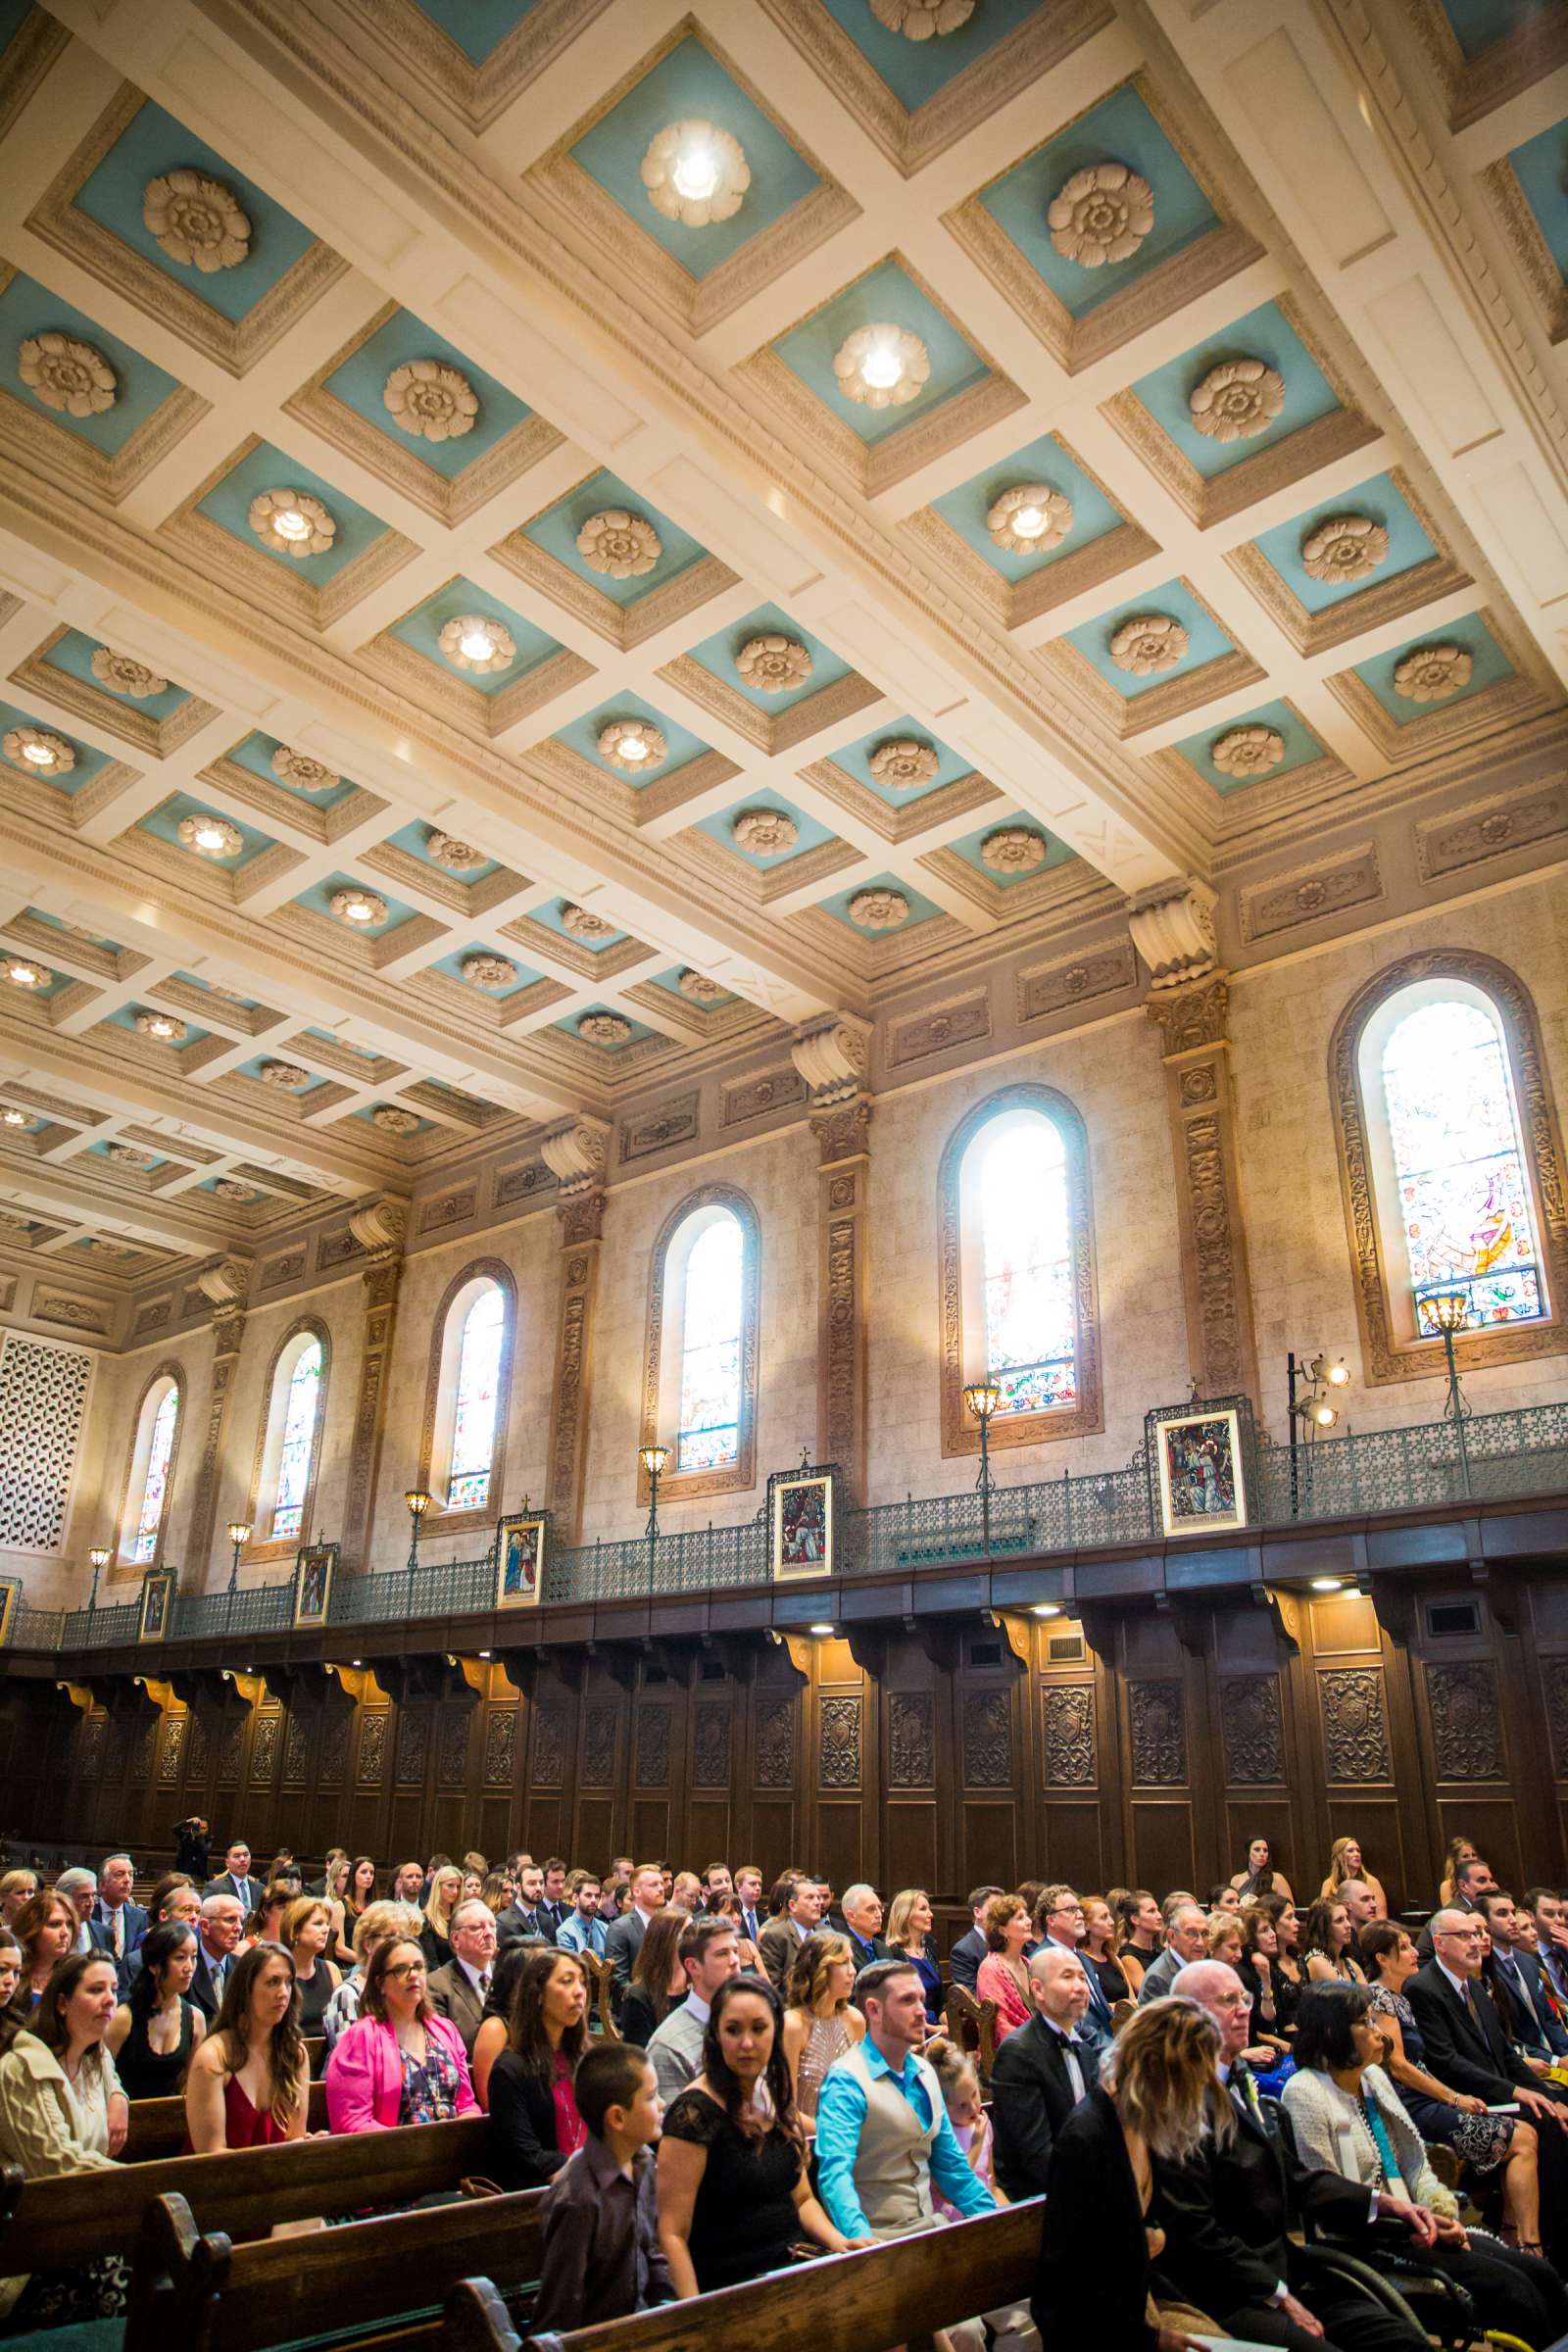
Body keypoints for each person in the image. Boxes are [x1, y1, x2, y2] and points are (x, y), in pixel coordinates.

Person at [1155, 1959, 1435, 2351]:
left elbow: (1294, 2177)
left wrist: (1383, 2204)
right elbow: (1195, 2229)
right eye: (1226, 2000)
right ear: (1185, 2014)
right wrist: (1276, 2292)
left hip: (1283, 2268)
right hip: (1228, 2291)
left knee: (1399, 2339)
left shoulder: (1236, 2079)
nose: (1243, 2009)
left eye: (1244, 1997)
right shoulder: (1176, 2101)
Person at [1284, 1982, 1568, 2346]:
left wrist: (1439, 2210)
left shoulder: (1372, 2078)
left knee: (1541, 2275)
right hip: (1369, 2241)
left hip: (1420, 2225)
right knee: (1516, 2294)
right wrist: (1414, 2223)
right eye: (1365, 2022)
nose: (1378, 2032)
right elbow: (1330, 2199)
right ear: (1331, 2031)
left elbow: (1416, 2162)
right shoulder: (1305, 2093)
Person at [1034, 1997, 1224, 2352]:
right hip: (1096, 2330)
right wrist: (1150, 2338)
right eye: (1190, 2080)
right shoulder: (1086, 2138)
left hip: (1137, 2303)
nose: (1196, 2093)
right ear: (1155, 2066)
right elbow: (1068, 2281)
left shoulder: (1142, 2119)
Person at [659, 1974, 859, 2293]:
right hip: (730, 2284)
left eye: (759, 2028)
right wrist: (693, 2316)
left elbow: (803, 2199)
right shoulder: (692, 2115)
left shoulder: (774, 2095)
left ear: (776, 2031)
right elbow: (672, 2234)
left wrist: (841, 2243)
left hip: (791, 2267)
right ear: (716, 2036)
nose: (747, 2043)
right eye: (733, 2030)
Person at [1406, 1905, 1568, 2271]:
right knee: (1545, 2123)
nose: (1475, 1942)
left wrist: (1542, 2093)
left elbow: (1507, 2056)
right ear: (1439, 1943)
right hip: (1465, 2101)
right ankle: (1550, 2247)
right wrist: (1516, 2094)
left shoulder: (1476, 1988)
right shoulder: (1424, 1989)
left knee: (1558, 2104)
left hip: (1497, 2090)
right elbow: (1447, 2063)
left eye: (1476, 1935)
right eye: (1463, 1936)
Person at [815, 1958, 997, 2245]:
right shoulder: (846, 2079)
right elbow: (836, 2175)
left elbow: (952, 2168)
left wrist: (996, 2219)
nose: (922, 2011)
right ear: (874, 2010)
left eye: (922, 2000)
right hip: (879, 2238)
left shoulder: (925, 2071)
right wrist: (860, 2241)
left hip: (930, 2228)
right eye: (907, 2001)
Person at [0, 1952, 128, 2328]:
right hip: (26, 2244)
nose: (110, 1999)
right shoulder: (23, 2069)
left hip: (81, 2223)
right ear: (61, 2003)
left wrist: (119, 2096)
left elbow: (113, 2081)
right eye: (96, 1989)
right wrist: (143, 2184)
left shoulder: (95, 2057)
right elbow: (57, 2164)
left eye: (114, 1990)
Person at [531, 2042, 674, 2332]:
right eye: (651, 2097)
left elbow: (651, 2253)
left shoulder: (644, 2161)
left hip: (639, 2329)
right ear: (617, 2118)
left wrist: (671, 2313)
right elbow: (558, 2315)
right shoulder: (579, 2201)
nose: (662, 2104)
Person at [324, 1935, 477, 2132]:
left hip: (453, 2152)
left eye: (419, 1967)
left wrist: (463, 2127)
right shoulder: (361, 2038)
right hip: (391, 2156)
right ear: (380, 1983)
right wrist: (414, 2146)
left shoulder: (445, 2030)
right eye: (400, 1969)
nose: (413, 1975)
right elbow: (352, 2121)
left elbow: (467, 2104)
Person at [989, 1943, 1099, 2198]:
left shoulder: (1085, 2047)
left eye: (1082, 1977)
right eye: (1067, 1977)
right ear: (1038, 1989)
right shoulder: (1018, 2053)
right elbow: (1036, 2155)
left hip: (1081, 2180)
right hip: (1038, 2197)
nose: (1080, 1987)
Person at [184, 1940, 309, 2150]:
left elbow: (294, 2138)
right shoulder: (214, 2057)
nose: (283, 1993)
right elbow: (210, 2155)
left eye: (288, 1982)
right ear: (246, 1990)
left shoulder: (294, 2054)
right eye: (272, 1982)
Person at [487, 1947, 590, 2188]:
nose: (579, 1992)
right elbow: (526, 2156)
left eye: (583, 1983)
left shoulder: (585, 2057)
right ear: (538, 1994)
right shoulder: (510, 2069)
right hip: (543, 2195)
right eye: (566, 1982)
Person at [104, 1920, 205, 2097]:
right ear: (154, 1965)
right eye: (180, 1957)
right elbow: (101, 2078)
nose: (189, 1967)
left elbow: (193, 2086)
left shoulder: (196, 2019)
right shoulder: (124, 2018)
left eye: (194, 1957)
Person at [646, 1917, 741, 2104]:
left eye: (736, 1951)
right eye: (722, 1954)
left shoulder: (751, 2025)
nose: (735, 1961)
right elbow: (674, 2128)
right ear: (693, 1966)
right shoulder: (668, 2047)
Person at [781, 1931, 863, 2129]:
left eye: (852, 1962)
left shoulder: (855, 2019)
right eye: (844, 1963)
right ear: (820, 1970)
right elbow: (785, 2110)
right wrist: (834, 2134)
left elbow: (860, 2093)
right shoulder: (792, 2025)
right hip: (805, 2143)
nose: (853, 1971)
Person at [1479, 1889, 1568, 2064]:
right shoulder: (1484, 1968)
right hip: (1526, 2062)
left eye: (1512, 1913)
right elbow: (1505, 2036)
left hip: (1554, 2055)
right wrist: (1555, 2061)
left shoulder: (1527, 1961)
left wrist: (1565, 2054)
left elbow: (1549, 2020)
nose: (1512, 1920)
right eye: (1502, 1914)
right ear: (1486, 1923)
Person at [321, 1899, 420, 2050]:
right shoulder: (347, 1995)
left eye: (403, 1938)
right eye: (390, 1937)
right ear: (367, 1944)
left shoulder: (407, 1989)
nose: (398, 1944)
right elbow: (351, 2057)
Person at [427, 1897, 498, 2055]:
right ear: (455, 1939)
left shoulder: (509, 1976)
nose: (488, 1933)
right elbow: (443, 2052)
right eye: (477, 1927)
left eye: (493, 1926)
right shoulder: (436, 1986)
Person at [620, 1904, 689, 2048]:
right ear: (666, 1943)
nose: (697, 1941)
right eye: (687, 1935)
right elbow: (640, 2060)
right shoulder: (638, 1997)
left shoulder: (698, 1989)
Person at [975, 1891, 1033, 2042]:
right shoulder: (990, 1968)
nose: (1029, 1921)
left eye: (1027, 1916)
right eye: (1020, 1918)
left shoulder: (1028, 1964)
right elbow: (1000, 2025)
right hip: (1011, 2051)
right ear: (1002, 1930)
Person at [757, 1873, 825, 1992]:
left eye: (818, 1897)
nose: (818, 1902)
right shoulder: (776, 1936)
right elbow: (772, 1991)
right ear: (792, 1905)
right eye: (810, 1897)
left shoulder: (826, 1932)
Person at [282, 1895, 340, 2037]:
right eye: (318, 1923)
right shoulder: (277, 1970)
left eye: (327, 1923)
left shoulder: (331, 1970)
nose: (326, 1929)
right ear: (295, 1930)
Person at [606, 1862, 666, 1993]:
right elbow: (618, 1980)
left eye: (661, 1883)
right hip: (635, 2005)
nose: (661, 1888)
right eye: (654, 1885)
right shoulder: (620, 1928)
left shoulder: (667, 1924)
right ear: (637, 1892)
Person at [885, 1888, 943, 2023]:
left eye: (929, 1909)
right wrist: (932, 2029)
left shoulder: (929, 1946)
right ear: (906, 1915)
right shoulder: (892, 1953)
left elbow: (940, 2001)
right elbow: (897, 2006)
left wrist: (949, 2023)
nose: (931, 1914)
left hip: (936, 2025)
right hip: (910, 2026)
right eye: (923, 1909)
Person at [13, 1890, 76, 2011]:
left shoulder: (74, 1975)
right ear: (31, 1928)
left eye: (69, 1924)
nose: (65, 1933)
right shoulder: (10, 1974)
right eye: (55, 1924)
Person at [189, 1890, 245, 2021]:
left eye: (241, 1921)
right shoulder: (185, 1966)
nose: (239, 1928)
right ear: (205, 1926)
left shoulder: (243, 1968)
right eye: (230, 1919)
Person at [92, 1853, 146, 1987]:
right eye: (119, 1874)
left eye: (131, 1874)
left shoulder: (139, 1917)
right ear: (102, 1884)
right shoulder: (89, 1913)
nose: (127, 1880)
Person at [1138, 1900, 1207, 2002]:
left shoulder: (1206, 1967)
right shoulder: (1158, 1979)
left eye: (1205, 1934)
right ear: (1172, 1936)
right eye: (1191, 1933)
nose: (1200, 1943)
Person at [1318, 1835, 1388, 1917]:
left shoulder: (1371, 1882)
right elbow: (1325, 1917)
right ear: (1340, 1856)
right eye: (1350, 1851)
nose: (1356, 1854)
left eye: (1358, 1851)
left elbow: (1381, 1918)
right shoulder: (1329, 1884)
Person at [1080, 1894, 1131, 2006]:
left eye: (1110, 1916)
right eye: (1103, 1917)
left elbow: (1131, 2000)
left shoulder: (1114, 1959)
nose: (1112, 1922)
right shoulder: (1081, 1961)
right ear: (1086, 1925)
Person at [1302, 1898, 1366, 1984]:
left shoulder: (1348, 1962)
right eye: (1339, 1920)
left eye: (1347, 1918)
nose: (1348, 1925)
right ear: (1324, 1927)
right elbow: (1341, 1997)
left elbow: (1367, 1996)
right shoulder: (1317, 1961)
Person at [1114, 1887, 1163, 1996]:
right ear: (1135, 1919)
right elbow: (1148, 1994)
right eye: (1151, 1911)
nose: (1159, 1916)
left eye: (1158, 1910)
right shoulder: (1128, 1956)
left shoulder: (1160, 1951)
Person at [836, 1884, 889, 1975]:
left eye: (880, 1908)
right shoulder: (840, 1949)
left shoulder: (883, 1948)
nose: (879, 1914)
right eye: (871, 1909)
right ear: (851, 1916)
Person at [419, 1864, 463, 1971]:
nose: (455, 1891)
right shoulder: (426, 1919)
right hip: (439, 1979)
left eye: (458, 1886)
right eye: (450, 1885)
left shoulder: (462, 1918)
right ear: (438, 1886)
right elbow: (432, 1963)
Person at [557, 1872, 608, 1957]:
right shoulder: (565, 1932)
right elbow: (571, 1966)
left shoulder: (605, 1929)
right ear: (575, 1898)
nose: (593, 1900)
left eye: (596, 1896)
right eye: (588, 1895)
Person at [205, 1840, 264, 1914]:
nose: (242, 1859)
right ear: (227, 1863)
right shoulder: (215, 1888)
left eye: (246, 1855)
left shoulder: (260, 1889)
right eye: (237, 1856)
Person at [1231, 1836, 1294, 1902]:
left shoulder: (1277, 1878)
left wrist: (1260, 1904)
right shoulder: (1236, 1880)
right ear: (1248, 1853)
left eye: (1265, 1851)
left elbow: (1290, 1907)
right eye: (1257, 1850)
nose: (1262, 1854)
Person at [1438, 1836, 1481, 1910]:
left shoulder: (1487, 1882)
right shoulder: (1447, 1886)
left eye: (1474, 1855)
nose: (1471, 1859)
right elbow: (1449, 1913)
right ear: (1456, 1861)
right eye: (1465, 1856)